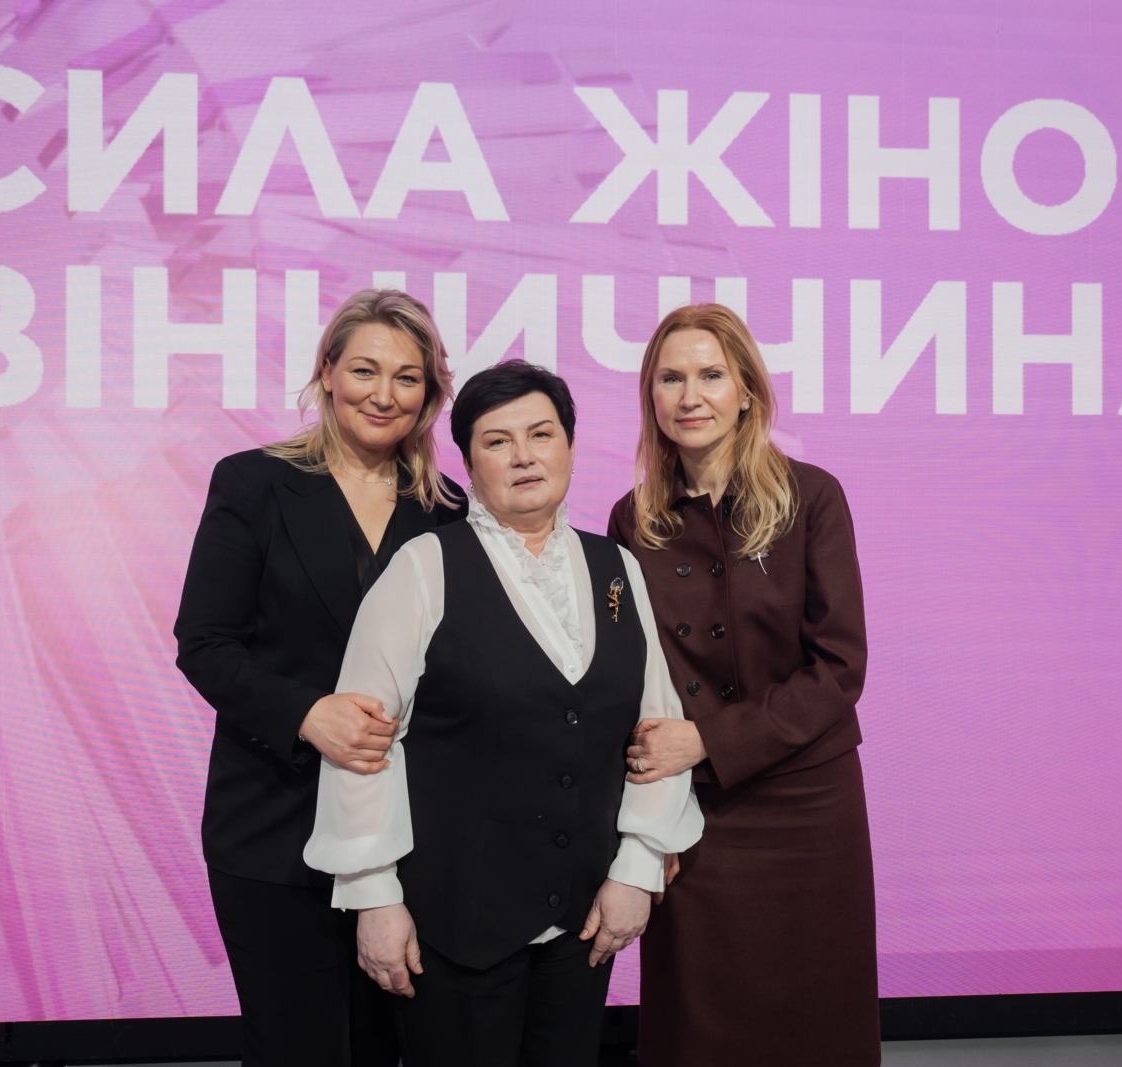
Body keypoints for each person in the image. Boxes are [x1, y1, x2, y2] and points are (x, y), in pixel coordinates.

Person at [304, 360, 703, 1067]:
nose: (524, 456)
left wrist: (637, 868)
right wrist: (373, 895)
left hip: (585, 918)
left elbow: (657, 731)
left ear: (570, 447)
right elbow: (363, 745)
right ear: (467, 462)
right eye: (497, 441)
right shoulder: (424, 566)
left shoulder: (618, 568)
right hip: (451, 925)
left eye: (541, 434)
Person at [174, 289, 465, 1067]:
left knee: (384, 1051)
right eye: (365, 369)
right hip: (275, 829)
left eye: (407, 377)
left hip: (403, 840)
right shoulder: (253, 483)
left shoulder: (447, 512)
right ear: (327, 372)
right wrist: (307, 713)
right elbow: (204, 643)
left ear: (431, 394)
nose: (384, 393)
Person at [609, 304, 879, 1067]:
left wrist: (707, 739)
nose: (690, 395)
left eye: (710, 375)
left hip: (807, 805)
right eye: (671, 378)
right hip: (696, 811)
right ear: (651, 397)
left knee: (816, 1021)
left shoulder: (811, 497)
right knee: (699, 1023)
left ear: (747, 392)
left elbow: (840, 666)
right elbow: (633, 675)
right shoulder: (633, 520)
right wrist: (640, 822)